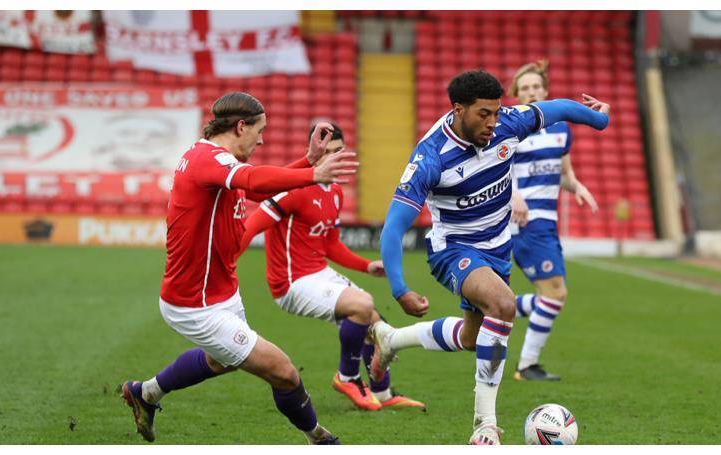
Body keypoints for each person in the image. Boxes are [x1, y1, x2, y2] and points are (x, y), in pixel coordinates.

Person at [369, 70, 610, 445]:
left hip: (499, 248)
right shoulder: (431, 157)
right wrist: (399, 288)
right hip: (454, 250)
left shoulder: (508, 125)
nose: (492, 122)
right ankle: (485, 426)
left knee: (471, 337)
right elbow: (393, 228)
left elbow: (559, 107)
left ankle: (390, 340)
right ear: (458, 109)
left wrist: (600, 118)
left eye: (496, 112)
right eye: (484, 114)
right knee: (503, 305)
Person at [120, 92, 358, 444]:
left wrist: (307, 161)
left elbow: (258, 192)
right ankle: (320, 439)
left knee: (222, 361)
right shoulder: (209, 159)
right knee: (285, 372)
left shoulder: (214, 159)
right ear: (240, 126)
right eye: (259, 131)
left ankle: (146, 393)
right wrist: (313, 173)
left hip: (220, 291)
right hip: (195, 303)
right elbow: (254, 181)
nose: (262, 140)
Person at [238, 123, 425, 412]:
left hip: (318, 272)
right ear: (314, 154)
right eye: (327, 153)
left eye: (339, 152)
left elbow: (330, 245)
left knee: (375, 321)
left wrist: (366, 266)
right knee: (362, 306)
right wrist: (226, 257)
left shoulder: (335, 192)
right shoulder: (293, 188)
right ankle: (347, 377)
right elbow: (251, 227)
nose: (334, 159)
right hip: (290, 283)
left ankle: (383, 393)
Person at [506, 60, 599, 381]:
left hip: (547, 221)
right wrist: (513, 194)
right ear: (516, 95)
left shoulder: (560, 129)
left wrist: (578, 187)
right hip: (525, 222)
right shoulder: (510, 127)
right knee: (555, 293)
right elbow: (495, 170)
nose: (531, 92)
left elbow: (564, 175)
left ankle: (495, 307)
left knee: (552, 294)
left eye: (536, 87)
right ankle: (527, 366)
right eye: (525, 88)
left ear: (545, 92)